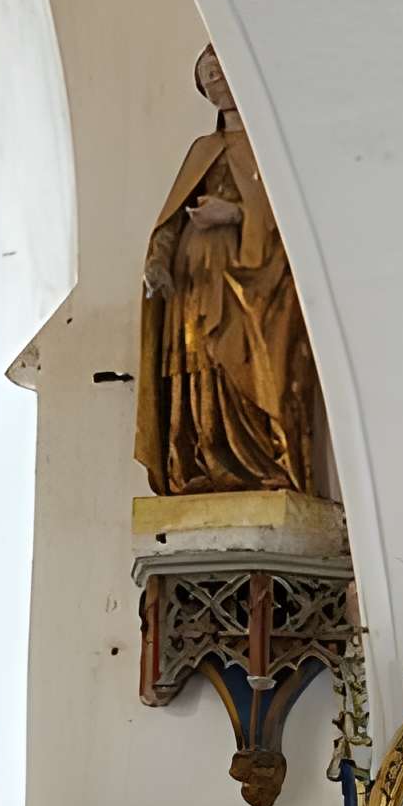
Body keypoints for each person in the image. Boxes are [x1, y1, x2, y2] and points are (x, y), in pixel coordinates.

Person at [137, 45, 320, 496]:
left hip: (246, 284)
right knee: (197, 368)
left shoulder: (272, 149)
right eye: (208, 75)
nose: (216, 81)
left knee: (239, 363)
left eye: (221, 71)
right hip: (194, 283)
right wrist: (158, 261)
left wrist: (235, 215)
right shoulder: (203, 150)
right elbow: (171, 219)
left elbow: (289, 225)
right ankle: (196, 462)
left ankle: (257, 462)